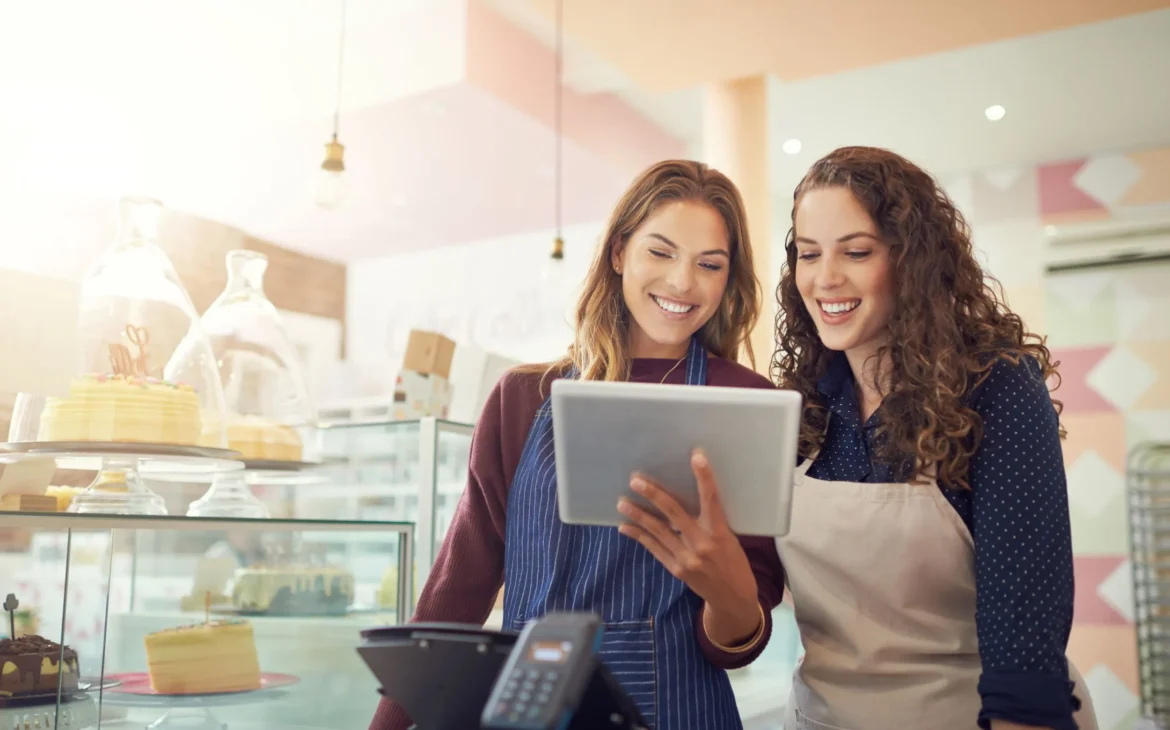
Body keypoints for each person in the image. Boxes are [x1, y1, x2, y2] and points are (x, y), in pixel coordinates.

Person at [619, 146, 1098, 730]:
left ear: (912, 260)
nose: (826, 278)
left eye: (857, 252)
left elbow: (1025, 656)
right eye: (809, 254)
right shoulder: (801, 409)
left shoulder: (994, 389)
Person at [368, 159, 785, 730]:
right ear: (619, 253)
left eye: (708, 264)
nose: (682, 282)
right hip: (527, 710)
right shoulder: (521, 398)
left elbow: (740, 639)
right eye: (660, 252)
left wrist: (727, 593)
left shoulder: (746, 401)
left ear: (727, 278)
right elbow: (459, 585)